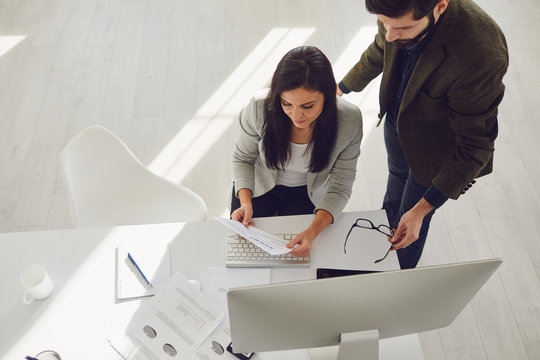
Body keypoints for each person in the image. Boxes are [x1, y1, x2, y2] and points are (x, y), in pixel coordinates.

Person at [337, 0, 508, 269]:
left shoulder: (481, 54)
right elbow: (381, 48)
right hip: (397, 117)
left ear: (440, 6)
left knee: (411, 223)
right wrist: (341, 88)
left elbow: (475, 148)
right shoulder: (394, 13)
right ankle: (378, 255)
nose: (390, 35)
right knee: (395, 186)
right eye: (384, 23)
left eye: (402, 28)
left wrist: (421, 210)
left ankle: (397, 279)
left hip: (435, 147)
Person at [231, 46, 363, 258]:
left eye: (308, 106)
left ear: (328, 97)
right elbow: (243, 158)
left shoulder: (349, 120)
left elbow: (341, 184)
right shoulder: (258, 107)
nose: (296, 115)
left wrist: (313, 231)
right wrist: (245, 202)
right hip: (258, 186)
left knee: (296, 257)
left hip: (307, 193)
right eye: (286, 104)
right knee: (244, 251)